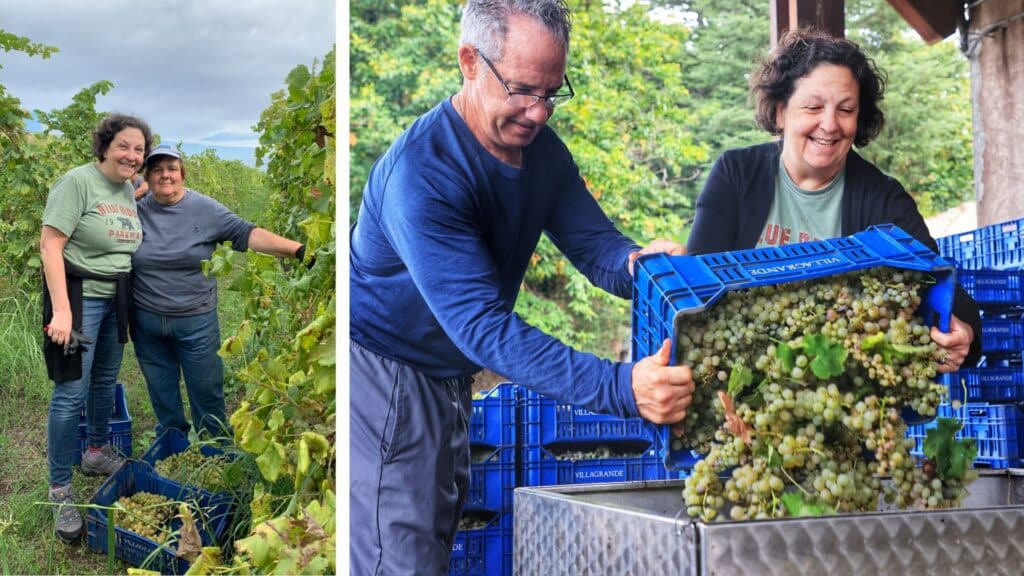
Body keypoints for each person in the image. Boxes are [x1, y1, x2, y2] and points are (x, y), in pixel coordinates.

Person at [349, 1, 695, 573]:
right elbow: (482, 327)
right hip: (388, 375)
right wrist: (622, 388)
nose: (538, 112)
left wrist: (637, 262)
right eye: (523, 89)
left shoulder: (541, 153)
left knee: (435, 535)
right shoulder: (424, 174)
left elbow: (594, 244)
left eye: (552, 93)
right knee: (399, 556)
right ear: (469, 61)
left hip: (448, 374)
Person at [687, 28, 981, 371]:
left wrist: (964, 332)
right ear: (781, 112)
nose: (829, 124)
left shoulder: (883, 199)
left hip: (843, 391)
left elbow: (945, 290)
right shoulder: (737, 174)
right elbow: (694, 284)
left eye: (846, 109)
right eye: (813, 106)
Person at [130, 144, 309, 439]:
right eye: (157, 169)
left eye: (172, 168)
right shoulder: (134, 211)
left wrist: (298, 250)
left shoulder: (205, 209)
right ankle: (172, 446)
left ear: (183, 174)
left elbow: (247, 233)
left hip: (195, 322)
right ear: (146, 176)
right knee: (162, 392)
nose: (165, 175)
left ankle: (215, 452)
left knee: (207, 393)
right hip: (146, 322)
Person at [41, 113, 153, 543]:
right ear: (105, 145)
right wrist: (63, 312)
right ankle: (60, 488)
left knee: (106, 378)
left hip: (116, 296)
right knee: (71, 390)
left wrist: (146, 184)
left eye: (139, 149)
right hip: (80, 296)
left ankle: (95, 452)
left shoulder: (127, 187)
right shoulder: (77, 182)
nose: (132, 155)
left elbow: (138, 188)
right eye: (124, 145)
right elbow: (51, 244)